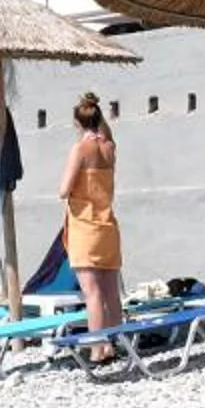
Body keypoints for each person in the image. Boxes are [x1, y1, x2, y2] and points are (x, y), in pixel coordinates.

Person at [60, 92, 122, 350]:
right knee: (111, 292)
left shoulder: (80, 149)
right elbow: (108, 136)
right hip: (107, 225)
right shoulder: (109, 148)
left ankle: (98, 348)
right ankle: (116, 343)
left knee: (92, 293)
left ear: (77, 123)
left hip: (85, 226)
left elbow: (64, 189)